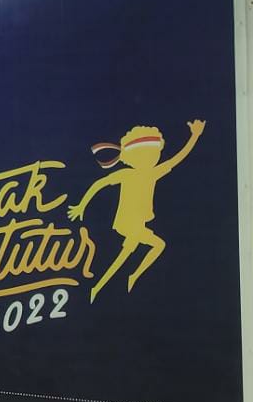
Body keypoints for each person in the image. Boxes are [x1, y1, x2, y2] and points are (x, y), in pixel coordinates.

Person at [68, 120, 204, 302]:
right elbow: (99, 184)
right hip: (127, 222)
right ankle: (111, 284)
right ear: (134, 157)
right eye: (148, 155)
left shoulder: (153, 173)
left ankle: (109, 284)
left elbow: (177, 158)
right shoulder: (127, 174)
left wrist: (194, 136)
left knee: (137, 251)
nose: (154, 158)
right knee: (137, 251)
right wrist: (82, 205)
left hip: (137, 223)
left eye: (155, 154)